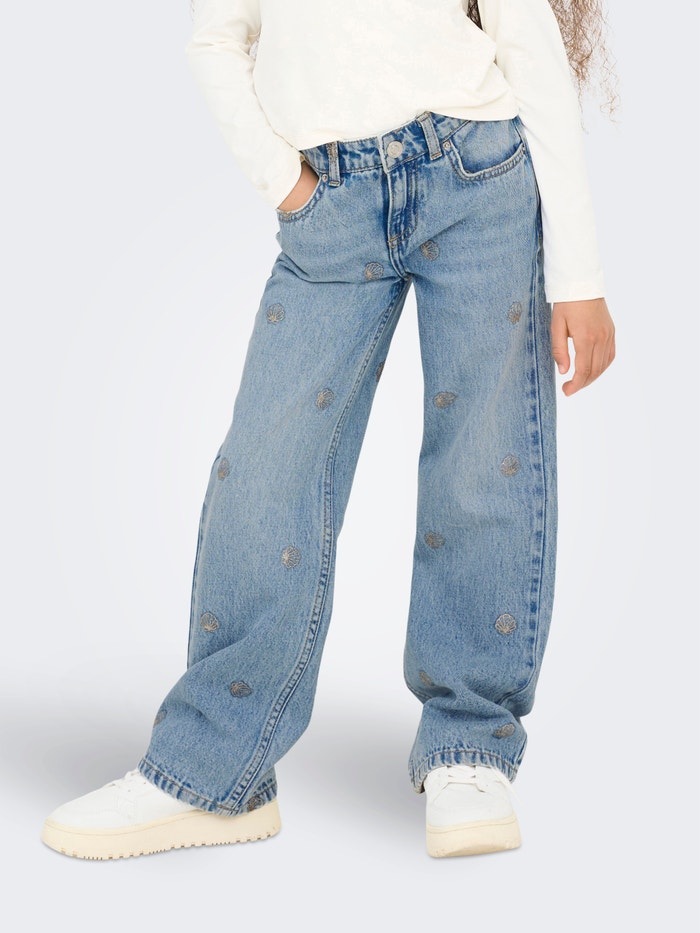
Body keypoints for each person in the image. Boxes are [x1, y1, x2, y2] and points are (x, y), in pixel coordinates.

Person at [41, 0, 617, 860]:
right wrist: (286, 184)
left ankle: (469, 746)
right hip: (332, 201)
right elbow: (215, 38)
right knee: (263, 469)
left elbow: (530, 45)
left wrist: (579, 275)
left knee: (483, 463)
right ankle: (212, 767)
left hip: (479, 178)